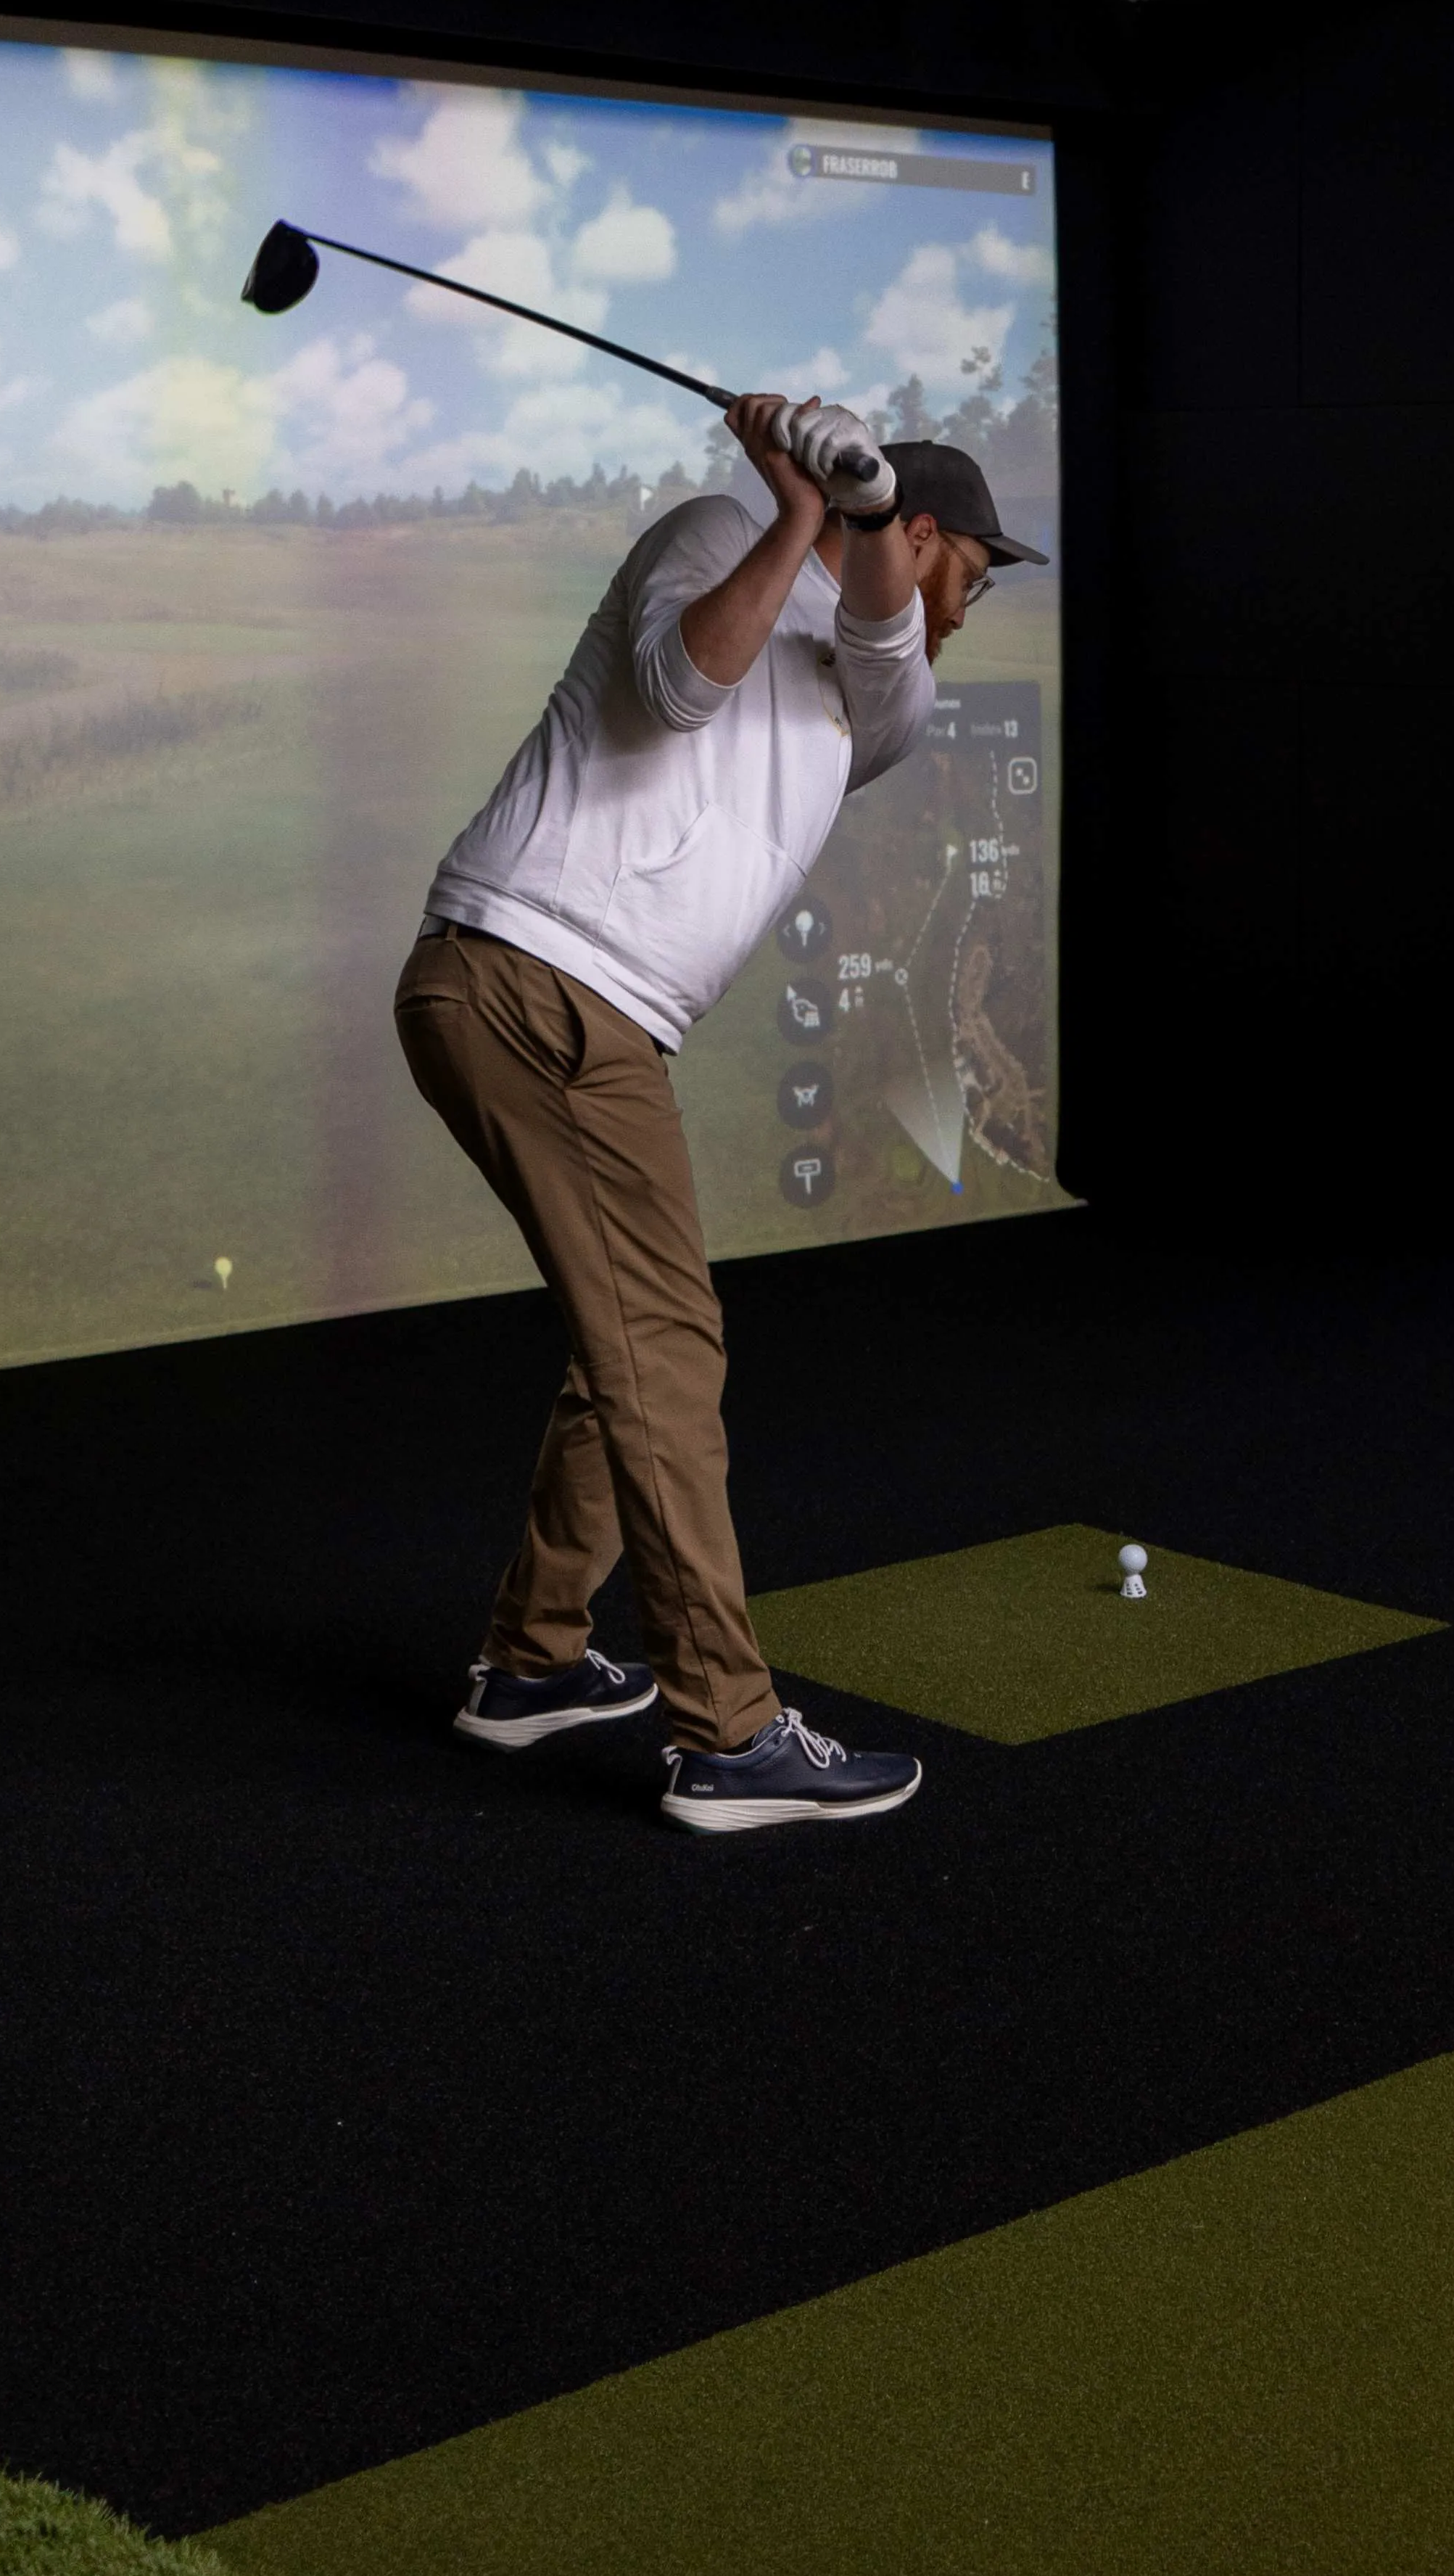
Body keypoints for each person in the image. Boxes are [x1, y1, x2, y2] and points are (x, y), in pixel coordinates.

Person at [395, 401, 1044, 1835]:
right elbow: (683, 688)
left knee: (638, 1337)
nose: (966, 609)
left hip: (580, 1009)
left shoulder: (884, 689)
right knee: (668, 1351)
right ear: (924, 536)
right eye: (969, 574)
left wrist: (851, 517)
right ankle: (727, 1737)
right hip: (536, 980)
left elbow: (878, 647)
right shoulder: (711, 537)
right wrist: (801, 509)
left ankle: (532, 1661)